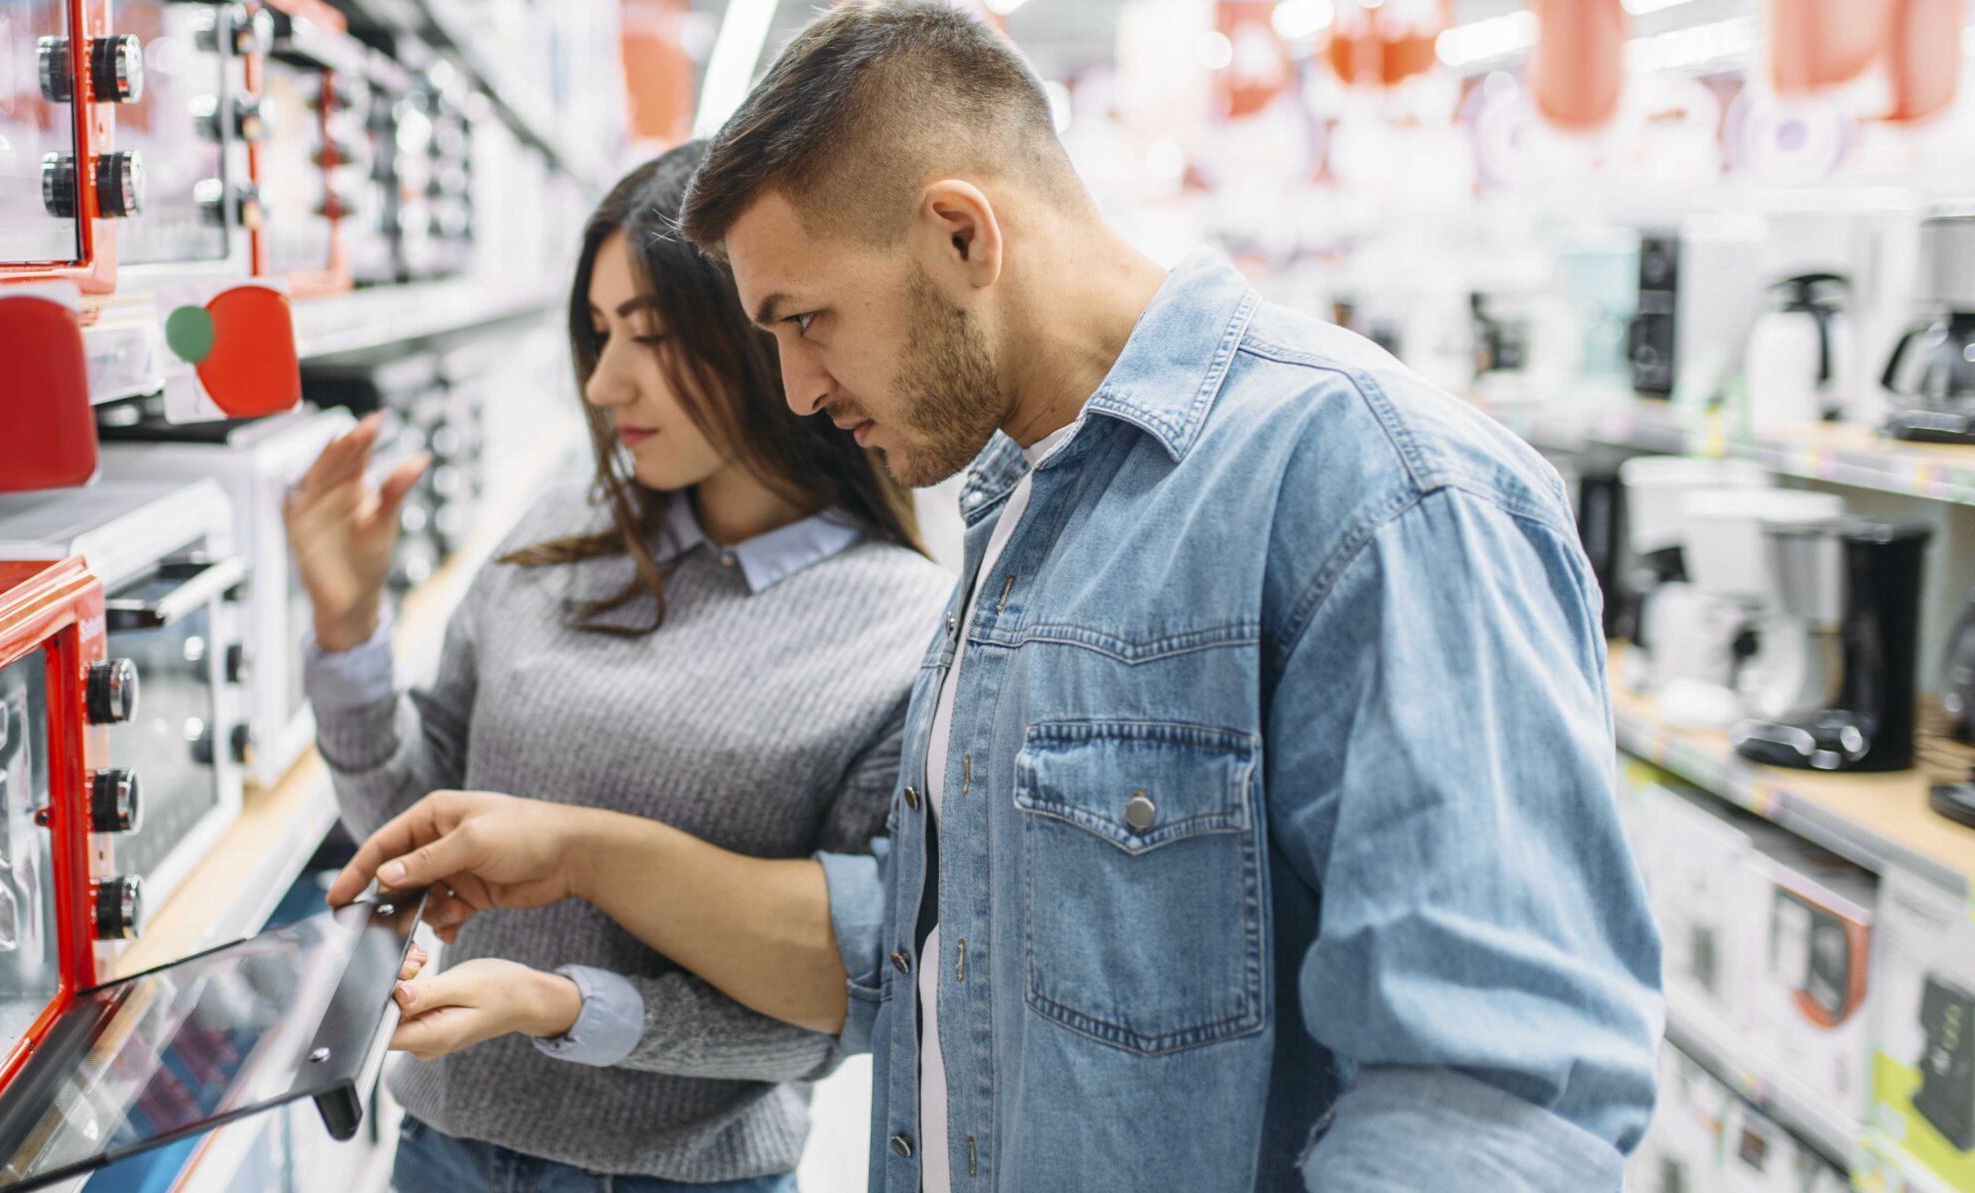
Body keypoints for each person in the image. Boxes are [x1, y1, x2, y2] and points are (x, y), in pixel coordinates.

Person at [330, 5, 1665, 1191]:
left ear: (961, 234)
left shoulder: (1375, 490)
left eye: (804, 320)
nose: (795, 389)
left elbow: (1491, 1100)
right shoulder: (1019, 514)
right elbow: (928, 942)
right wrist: (579, 860)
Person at [284, 141, 950, 1192]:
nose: (604, 382)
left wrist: (569, 1005)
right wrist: (347, 626)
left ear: (761, 330)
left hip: (680, 1178)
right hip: (443, 1152)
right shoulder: (558, 535)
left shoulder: (901, 628)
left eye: (650, 334)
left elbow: (843, 996)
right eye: (598, 334)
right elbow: (414, 825)